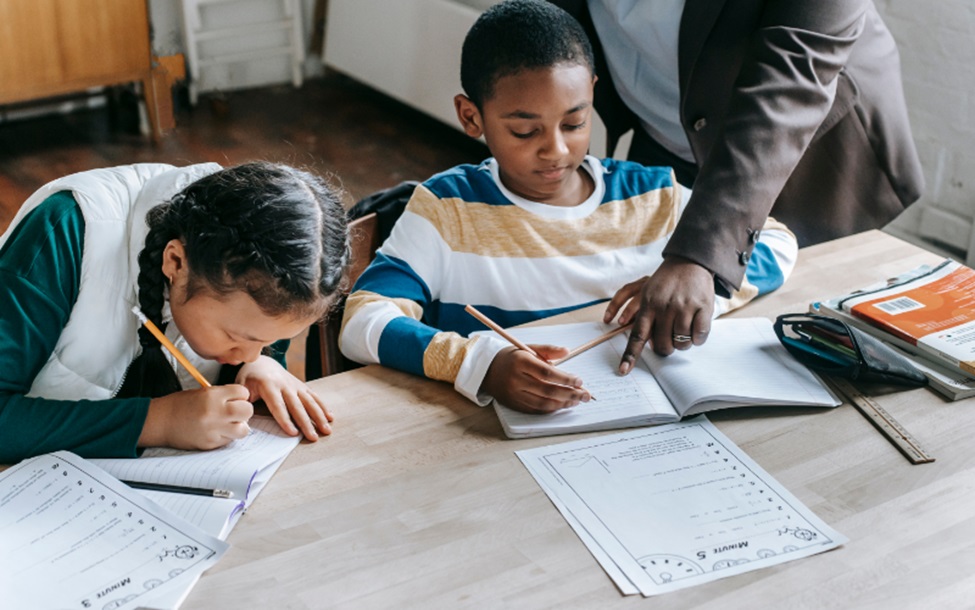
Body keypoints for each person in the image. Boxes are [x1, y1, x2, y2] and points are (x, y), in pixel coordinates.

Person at [338, 0, 798, 414]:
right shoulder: (447, 210)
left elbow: (777, 242)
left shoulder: (650, 193)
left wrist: (695, 291)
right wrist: (479, 364)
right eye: (525, 131)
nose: (556, 150)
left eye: (575, 122)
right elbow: (363, 319)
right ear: (471, 116)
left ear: (593, 93)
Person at [550, 0, 925, 368]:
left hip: (806, 158)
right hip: (661, 136)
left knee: (808, 341)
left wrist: (698, 255)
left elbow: (789, 86)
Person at [0, 161, 350, 463]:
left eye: (270, 341)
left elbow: (250, 353)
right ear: (175, 262)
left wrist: (258, 368)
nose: (250, 352)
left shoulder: (272, 278)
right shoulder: (64, 229)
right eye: (236, 338)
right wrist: (157, 422)